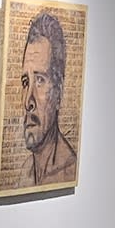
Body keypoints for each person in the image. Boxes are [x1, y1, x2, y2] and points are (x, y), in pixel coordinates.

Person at [20, 11, 78, 186]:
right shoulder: (26, 172)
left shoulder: (69, 170)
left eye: (40, 80)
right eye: (25, 82)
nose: (28, 101)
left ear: (58, 92)